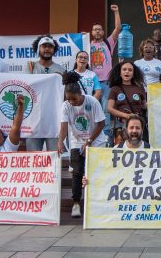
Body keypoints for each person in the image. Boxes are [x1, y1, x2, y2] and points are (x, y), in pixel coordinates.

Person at [58, 72, 107, 218]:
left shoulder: (92, 102)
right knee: (77, 172)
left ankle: (98, 201)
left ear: (80, 93)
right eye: (69, 99)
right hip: (77, 142)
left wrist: (89, 141)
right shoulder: (65, 106)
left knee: (97, 171)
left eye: (74, 99)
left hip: (96, 140)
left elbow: (101, 124)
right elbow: (64, 127)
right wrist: (60, 141)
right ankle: (76, 203)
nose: (71, 102)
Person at [79, 114, 149, 189]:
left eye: (137, 128)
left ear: (142, 130)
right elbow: (106, 175)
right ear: (126, 130)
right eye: (131, 128)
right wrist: (90, 181)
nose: (134, 131)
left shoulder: (150, 150)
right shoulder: (116, 151)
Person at [91, 4, 122, 107]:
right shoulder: (87, 44)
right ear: (92, 32)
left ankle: (106, 124)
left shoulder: (108, 42)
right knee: (92, 107)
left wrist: (116, 12)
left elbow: (118, 28)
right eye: (95, 29)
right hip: (91, 80)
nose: (97, 31)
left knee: (105, 109)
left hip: (106, 81)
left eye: (99, 29)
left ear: (103, 32)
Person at [107, 62, 148, 134]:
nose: (127, 72)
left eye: (130, 70)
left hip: (137, 124)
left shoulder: (140, 87)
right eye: (124, 69)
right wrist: (126, 116)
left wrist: (156, 101)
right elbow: (110, 109)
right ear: (120, 73)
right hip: (121, 124)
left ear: (133, 74)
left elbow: (144, 106)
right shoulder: (114, 89)